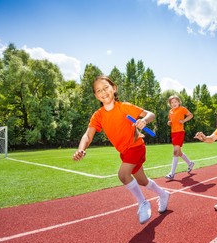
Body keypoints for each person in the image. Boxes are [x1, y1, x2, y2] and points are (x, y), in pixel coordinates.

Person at [72, 75, 169, 224]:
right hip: (124, 152)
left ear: (114, 88)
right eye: (98, 90)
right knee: (142, 181)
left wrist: (144, 120)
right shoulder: (98, 116)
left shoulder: (124, 107)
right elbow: (88, 135)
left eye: (106, 87)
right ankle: (163, 194)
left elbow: (151, 114)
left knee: (123, 175)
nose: (103, 92)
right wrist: (81, 148)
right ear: (95, 95)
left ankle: (143, 203)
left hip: (136, 147)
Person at [165, 95, 195, 180]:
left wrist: (184, 121)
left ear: (179, 102)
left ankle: (172, 173)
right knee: (179, 152)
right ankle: (190, 163)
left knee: (175, 152)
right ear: (170, 104)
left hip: (179, 132)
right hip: (173, 133)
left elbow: (190, 115)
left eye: (175, 102)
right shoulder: (170, 111)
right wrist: (169, 123)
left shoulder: (182, 109)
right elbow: (171, 121)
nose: (174, 103)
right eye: (172, 102)